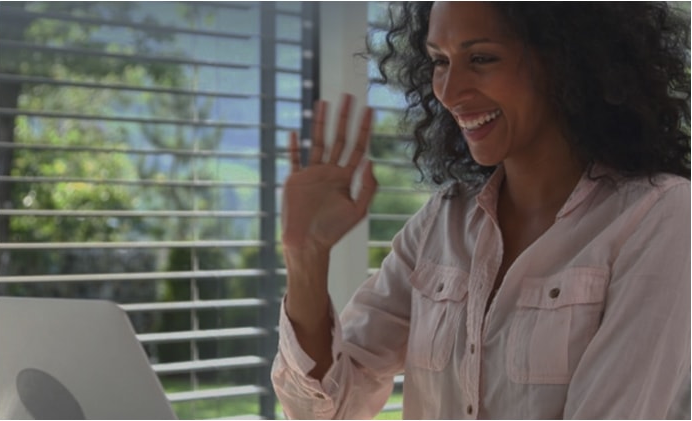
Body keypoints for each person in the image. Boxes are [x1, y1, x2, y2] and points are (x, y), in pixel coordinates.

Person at [271, 2, 691, 419]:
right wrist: (305, 256)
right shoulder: (442, 223)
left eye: (481, 58)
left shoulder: (660, 218)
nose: (450, 92)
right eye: (439, 61)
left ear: (566, 60)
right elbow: (325, 410)